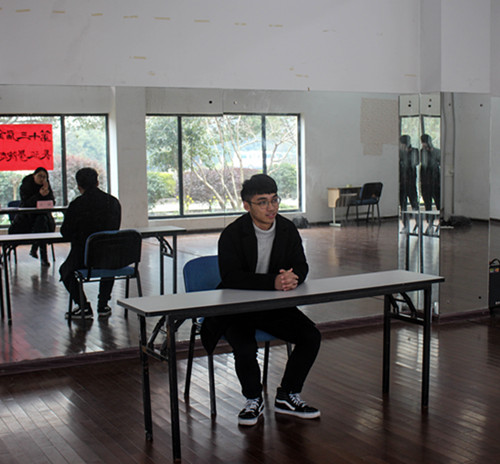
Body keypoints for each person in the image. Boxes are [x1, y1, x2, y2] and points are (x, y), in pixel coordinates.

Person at [201, 174, 321, 426]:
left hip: (271, 306)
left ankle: (287, 395)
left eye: (275, 200)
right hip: (236, 308)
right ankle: (253, 399)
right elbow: (231, 277)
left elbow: (301, 264)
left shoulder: (287, 229)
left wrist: (294, 277)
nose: (271, 207)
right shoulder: (233, 234)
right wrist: (272, 282)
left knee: (311, 336)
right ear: (247, 205)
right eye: (263, 202)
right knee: (245, 347)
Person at [60, 167, 121, 320]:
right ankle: (103, 305)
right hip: (108, 255)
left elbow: (65, 232)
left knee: (65, 271)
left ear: (79, 186)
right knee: (109, 265)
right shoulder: (113, 202)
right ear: (97, 182)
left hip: (83, 256)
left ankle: (83, 306)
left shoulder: (76, 205)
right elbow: (115, 229)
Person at [8, 167, 56, 266]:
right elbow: (26, 204)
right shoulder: (26, 186)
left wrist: (47, 194)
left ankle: (35, 248)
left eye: (44, 177)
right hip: (26, 220)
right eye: (40, 176)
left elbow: (52, 202)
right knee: (42, 223)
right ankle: (40, 254)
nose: (42, 179)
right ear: (34, 176)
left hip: (42, 220)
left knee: (42, 220)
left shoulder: (46, 186)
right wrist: (39, 195)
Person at [399, 135, 420, 232]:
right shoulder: (400, 152)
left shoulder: (414, 151)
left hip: (411, 182)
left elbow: (415, 162)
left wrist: (407, 154)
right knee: (403, 205)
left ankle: (418, 224)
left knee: (414, 204)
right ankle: (405, 226)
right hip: (402, 183)